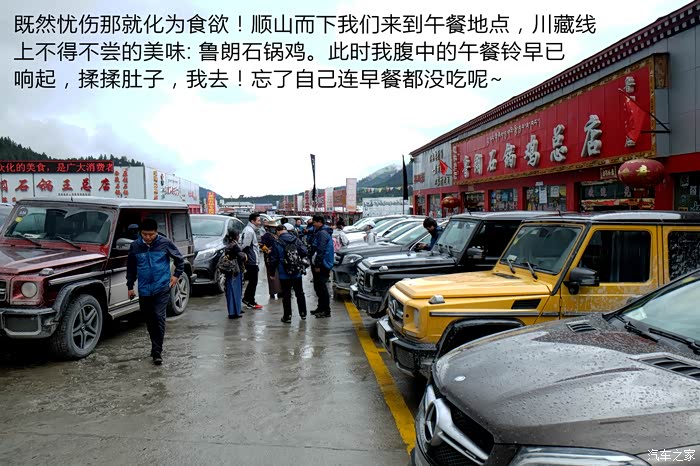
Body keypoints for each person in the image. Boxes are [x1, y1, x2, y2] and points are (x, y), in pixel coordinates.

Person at [126, 218, 184, 366]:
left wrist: (176, 275)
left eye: (151, 234)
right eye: (145, 234)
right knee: (149, 319)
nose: (148, 237)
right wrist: (130, 287)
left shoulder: (165, 243)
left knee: (158, 317)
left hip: (162, 287)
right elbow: (131, 268)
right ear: (140, 233)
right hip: (144, 289)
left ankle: (157, 351)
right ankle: (155, 345)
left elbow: (179, 260)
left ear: (156, 232)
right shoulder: (135, 246)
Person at [270, 224, 309, 323]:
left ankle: (287, 316)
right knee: (299, 293)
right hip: (296, 271)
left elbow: (273, 259)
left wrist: (272, 273)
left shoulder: (277, 242)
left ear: (278, 232)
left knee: (286, 294)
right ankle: (303, 313)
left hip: (284, 273)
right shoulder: (296, 239)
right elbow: (304, 251)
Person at [309, 214, 335, 318]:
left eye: (314, 223)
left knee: (322, 287)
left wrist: (318, 264)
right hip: (322, 262)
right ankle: (320, 307)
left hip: (323, 264)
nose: (313, 225)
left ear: (319, 222)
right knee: (318, 287)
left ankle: (326, 310)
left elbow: (320, 249)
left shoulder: (322, 233)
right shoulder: (321, 232)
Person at [241, 213, 263, 310]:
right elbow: (245, 246)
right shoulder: (249, 231)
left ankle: (247, 299)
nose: (260, 222)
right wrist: (245, 259)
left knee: (252, 282)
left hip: (252, 260)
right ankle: (250, 301)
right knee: (253, 282)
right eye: (258, 220)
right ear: (252, 221)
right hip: (251, 261)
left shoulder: (249, 230)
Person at [223, 231, 246, 319]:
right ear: (235, 236)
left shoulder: (227, 244)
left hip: (229, 270)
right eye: (238, 235)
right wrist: (245, 256)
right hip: (235, 269)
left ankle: (232, 311)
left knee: (230, 291)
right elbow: (242, 257)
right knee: (236, 291)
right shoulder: (234, 246)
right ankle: (235, 312)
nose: (239, 236)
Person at [261, 223, 283, 300]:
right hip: (269, 258)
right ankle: (272, 293)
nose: (273, 229)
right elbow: (261, 245)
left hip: (278, 257)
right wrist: (268, 251)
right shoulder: (266, 235)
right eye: (272, 227)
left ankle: (280, 291)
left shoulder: (277, 235)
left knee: (279, 275)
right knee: (271, 275)